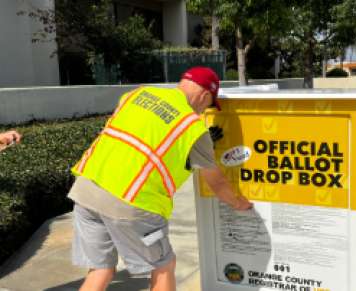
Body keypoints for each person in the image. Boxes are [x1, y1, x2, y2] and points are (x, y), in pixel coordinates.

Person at [68, 66, 253, 291]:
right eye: (209, 106)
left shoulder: (137, 94)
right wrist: (240, 203)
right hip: (132, 202)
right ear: (205, 96)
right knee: (163, 266)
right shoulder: (192, 127)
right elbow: (217, 183)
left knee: (101, 269)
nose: (205, 111)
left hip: (87, 190)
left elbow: (143, 137)